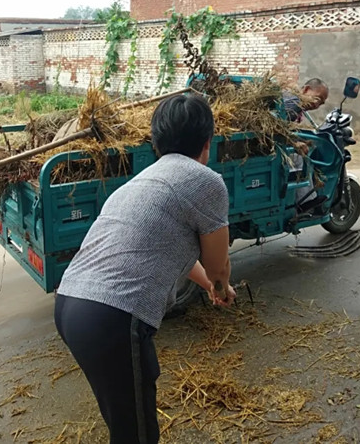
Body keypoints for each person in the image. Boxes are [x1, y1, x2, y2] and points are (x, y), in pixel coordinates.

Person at [54, 93, 236, 444]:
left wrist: (207, 286)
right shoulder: (205, 180)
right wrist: (221, 286)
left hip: (71, 306)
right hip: (113, 316)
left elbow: (180, 255)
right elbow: (217, 265)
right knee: (136, 433)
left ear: (155, 139)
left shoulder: (145, 179)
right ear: (207, 141)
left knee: (126, 419)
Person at [283, 78, 330, 212]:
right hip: (272, 146)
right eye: (317, 99)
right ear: (306, 89)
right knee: (299, 159)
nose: (317, 105)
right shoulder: (294, 104)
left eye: (321, 103)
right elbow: (276, 129)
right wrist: (294, 143)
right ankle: (304, 202)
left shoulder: (291, 99)